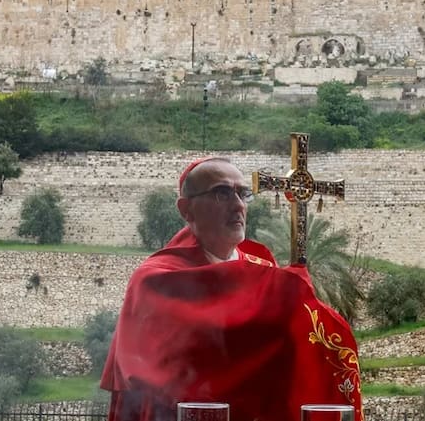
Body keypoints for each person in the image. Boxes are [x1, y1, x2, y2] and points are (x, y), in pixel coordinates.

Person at [101, 157, 362, 421]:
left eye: (243, 194)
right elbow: (201, 352)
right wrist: (286, 293)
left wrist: (297, 305)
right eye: (222, 193)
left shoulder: (264, 267)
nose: (237, 205)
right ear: (186, 210)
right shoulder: (155, 280)